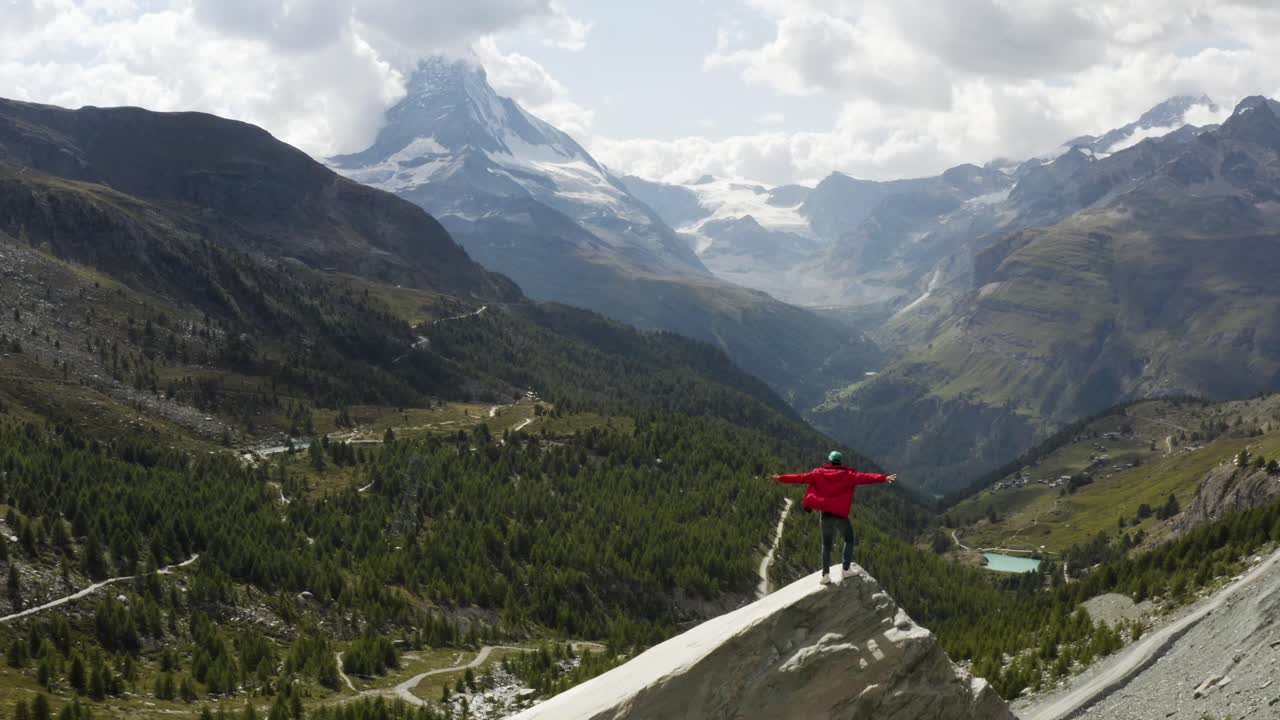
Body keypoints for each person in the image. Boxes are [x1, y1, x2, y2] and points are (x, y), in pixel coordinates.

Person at [771, 451, 896, 585]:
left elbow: (800, 478)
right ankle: (845, 569)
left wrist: (780, 478)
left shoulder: (817, 473)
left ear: (829, 461)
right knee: (849, 539)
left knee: (826, 544)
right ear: (840, 462)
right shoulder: (849, 476)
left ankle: (825, 575)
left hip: (825, 515)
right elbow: (866, 477)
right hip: (840, 515)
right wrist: (883, 478)